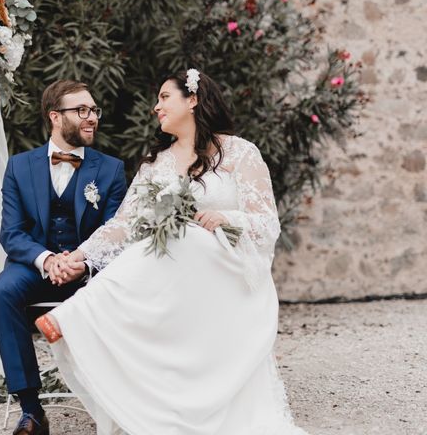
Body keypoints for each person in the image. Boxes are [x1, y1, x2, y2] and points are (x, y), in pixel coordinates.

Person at [36, 70, 310, 434]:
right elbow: (125, 224)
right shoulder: (156, 163)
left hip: (226, 271)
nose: (156, 107)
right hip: (176, 277)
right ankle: (81, 316)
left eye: (165, 97)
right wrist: (80, 256)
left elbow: (267, 222)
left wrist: (224, 218)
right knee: (161, 239)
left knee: (187, 236)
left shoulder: (240, 152)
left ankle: (79, 313)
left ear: (192, 99)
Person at [0, 80, 128, 435]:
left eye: (94, 110)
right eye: (81, 110)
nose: (91, 117)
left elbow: (115, 232)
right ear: (55, 116)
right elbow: (12, 233)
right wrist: (48, 260)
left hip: (91, 273)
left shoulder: (111, 169)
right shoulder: (20, 166)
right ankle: (32, 411)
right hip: (36, 268)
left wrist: (81, 263)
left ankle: (118, 403)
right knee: (1, 293)